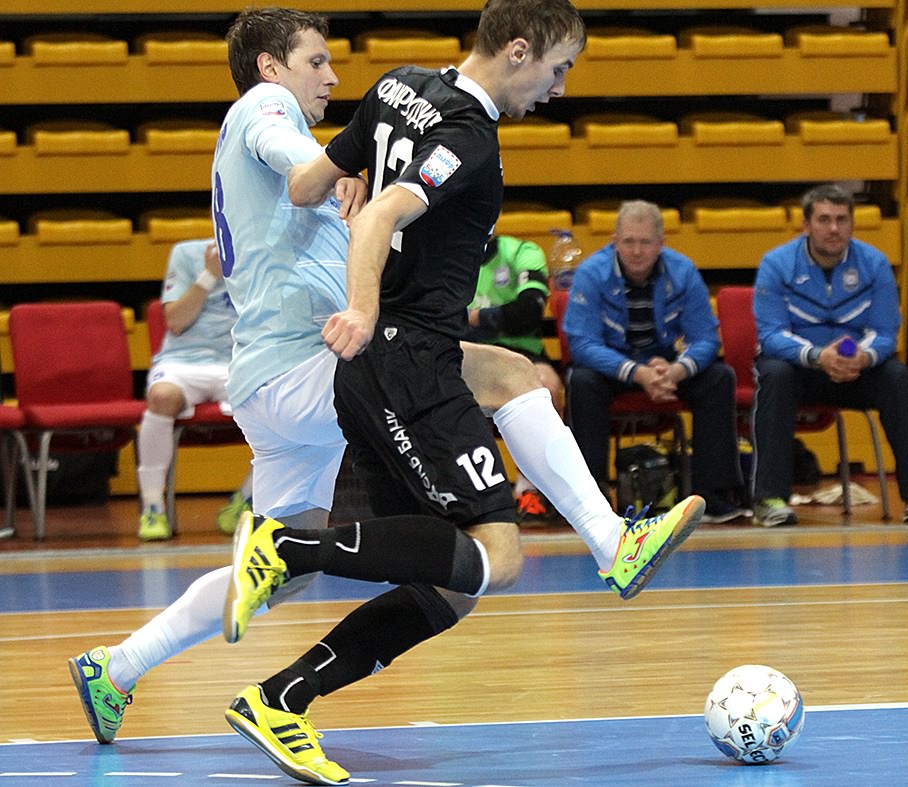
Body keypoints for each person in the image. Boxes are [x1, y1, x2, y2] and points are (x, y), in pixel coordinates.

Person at [65, 7, 701, 781]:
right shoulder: (263, 108)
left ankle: (117, 666)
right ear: (270, 67)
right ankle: (610, 541)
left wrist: (349, 173)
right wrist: (351, 196)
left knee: (347, 572)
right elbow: (295, 160)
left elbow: (309, 185)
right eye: (315, 61)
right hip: (313, 363)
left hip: (272, 379)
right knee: (510, 378)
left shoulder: (376, 105)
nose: (331, 77)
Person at [751, 183, 908, 526]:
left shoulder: (875, 264)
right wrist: (817, 356)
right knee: (775, 375)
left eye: (841, 219)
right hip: (800, 368)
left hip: (856, 369)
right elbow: (771, 335)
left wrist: (861, 357)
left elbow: (885, 332)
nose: (833, 228)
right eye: (824, 220)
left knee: (901, 380)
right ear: (806, 225)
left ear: (852, 224)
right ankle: (771, 499)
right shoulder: (776, 264)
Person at [563, 200, 745, 523]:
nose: (636, 251)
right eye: (628, 242)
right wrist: (637, 373)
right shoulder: (591, 273)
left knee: (719, 377)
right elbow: (582, 344)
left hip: (665, 364)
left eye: (645, 242)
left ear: (661, 243)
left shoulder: (683, 271)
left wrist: (677, 370)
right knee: (581, 381)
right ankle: (592, 499)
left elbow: (706, 339)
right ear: (614, 241)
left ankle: (712, 495)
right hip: (612, 366)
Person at [136, 238, 253, 541]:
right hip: (184, 361)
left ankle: (246, 499)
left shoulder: (263, 251)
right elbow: (175, 321)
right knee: (161, 397)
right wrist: (209, 275)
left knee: (279, 405)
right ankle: (153, 507)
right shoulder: (186, 253)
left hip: (239, 362)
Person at [466, 233, 563, 524]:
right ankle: (459, 494)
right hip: (467, 353)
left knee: (548, 386)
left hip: (522, 354)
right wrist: (494, 318)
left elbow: (529, 312)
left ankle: (529, 491)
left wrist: (471, 318)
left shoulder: (523, 251)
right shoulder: (441, 254)